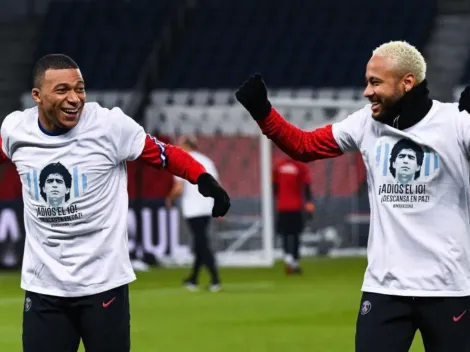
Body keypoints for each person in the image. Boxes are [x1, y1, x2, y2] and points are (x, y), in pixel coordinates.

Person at [235, 40, 470, 352]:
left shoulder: (455, 122)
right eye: (366, 82)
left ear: (407, 82)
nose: (366, 92)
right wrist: (263, 112)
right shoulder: (366, 123)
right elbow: (305, 146)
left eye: (375, 83)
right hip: (385, 289)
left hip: (449, 288)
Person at [1, 54, 230, 352]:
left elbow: (163, 154)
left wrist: (203, 179)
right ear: (37, 97)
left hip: (103, 287)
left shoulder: (109, 127)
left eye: (79, 88)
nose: (74, 99)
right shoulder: (15, 130)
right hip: (44, 288)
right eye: (62, 90)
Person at [166, 135, 222, 292]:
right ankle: (194, 278)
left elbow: (179, 187)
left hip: (193, 207)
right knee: (200, 241)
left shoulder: (181, 159)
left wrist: (169, 199)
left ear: (185, 145)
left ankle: (215, 279)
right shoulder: (207, 161)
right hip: (207, 206)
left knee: (201, 243)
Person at [272, 155, 314, 274]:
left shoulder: (278, 166)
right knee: (295, 235)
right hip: (296, 206)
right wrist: (309, 205)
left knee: (285, 235)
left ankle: (288, 258)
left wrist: (279, 198)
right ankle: (294, 261)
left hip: (282, 206)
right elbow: (307, 187)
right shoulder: (300, 166)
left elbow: (274, 186)